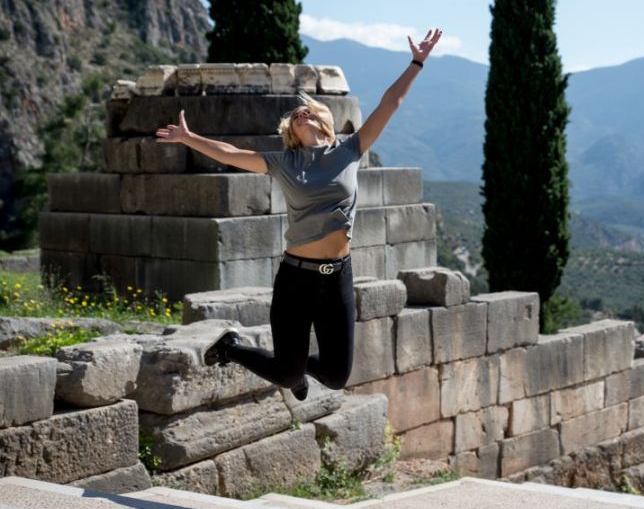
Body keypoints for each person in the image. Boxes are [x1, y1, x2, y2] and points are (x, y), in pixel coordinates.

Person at [155, 29, 442, 400]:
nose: (301, 114)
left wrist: (416, 63)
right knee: (288, 377)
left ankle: (293, 365)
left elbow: (391, 103)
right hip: (296, 280)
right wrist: (189, 138)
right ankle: (232, 348)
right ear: (291, 131)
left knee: (337, 377)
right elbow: (230, 153)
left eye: (307, 110)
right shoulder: (284, 162)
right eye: (295, 116)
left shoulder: (349, 150)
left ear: (324, 121)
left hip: (337, 277)